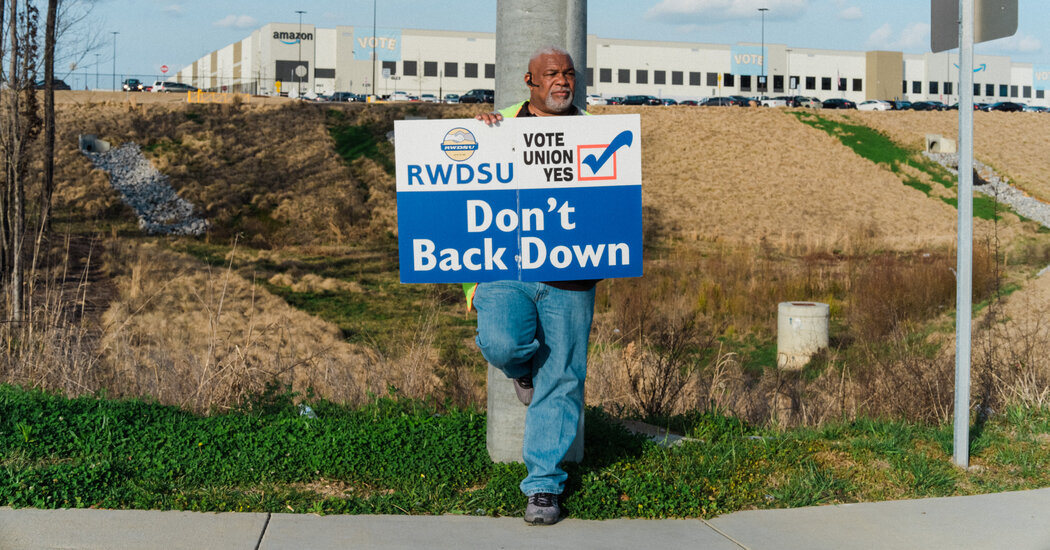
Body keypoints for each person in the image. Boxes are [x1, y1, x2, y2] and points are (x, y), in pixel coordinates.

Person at [468, 46, 595, 526]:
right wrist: (474, 134)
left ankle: (543, 485)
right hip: (505, 270)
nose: (562, 81)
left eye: (568, 74)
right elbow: (462, 201)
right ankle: (521, 368)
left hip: (571, 275)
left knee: (562, 377)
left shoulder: (597, 133)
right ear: (529, 81)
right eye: (551, 75)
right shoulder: (493, 126)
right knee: (500, 342)